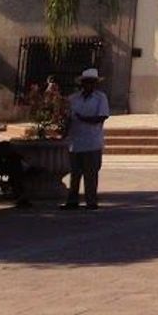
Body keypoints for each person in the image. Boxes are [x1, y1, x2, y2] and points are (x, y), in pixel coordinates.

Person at [60, 68, 110, 210]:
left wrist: (84, 119)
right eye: (86, 82)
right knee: (75, 174)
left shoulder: (101, 98)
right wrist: (64, 132)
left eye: (92, 83)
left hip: (92, 141)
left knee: (91, 174)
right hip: (76, 141)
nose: (89, 85)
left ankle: (91, 201)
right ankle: (72, 200)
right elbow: (68, 118)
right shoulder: (73, 98)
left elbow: (102, 117)